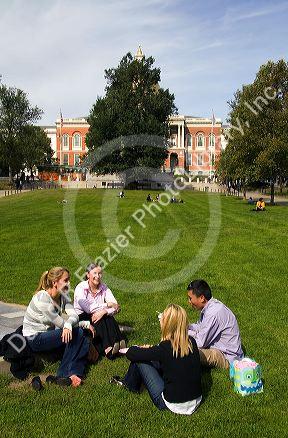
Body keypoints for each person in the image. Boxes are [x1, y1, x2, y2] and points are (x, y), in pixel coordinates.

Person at [110, 304, 202, 415]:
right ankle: (130, 382)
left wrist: (137, 348)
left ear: (167, 324)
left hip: (171, 404)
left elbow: (132, 354)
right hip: (196, 400)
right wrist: (151, 349)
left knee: (140, 361)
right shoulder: (192, 342)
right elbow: (166, 355)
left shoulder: (165, 347)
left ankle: (129, 385)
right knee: (151, 358)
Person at [22, 267, 92, 387]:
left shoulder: (63, 295)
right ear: (54, 283)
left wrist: (71, 324)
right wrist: (83, 324)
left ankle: (75, 374)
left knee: (83, 337)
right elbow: (61, 323)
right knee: (78, 332)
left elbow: (74, 315)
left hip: (47, 336)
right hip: (35, 339)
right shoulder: (42, 298)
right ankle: (63, 374)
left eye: (69, 280)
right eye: (66, 280)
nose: (69, 283)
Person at [187, 279, 243, 369]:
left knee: (189, 350)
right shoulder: (210, 306)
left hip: (228, 358)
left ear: (201, 298)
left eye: (190, 298)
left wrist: (183, 333)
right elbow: (201, 327)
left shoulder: (213, 313)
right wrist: (186, 326)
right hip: (219, 349)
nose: (189, 301)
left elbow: (201, 342)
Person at [74, 263, 126, 359]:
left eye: (100, 273)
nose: (97, 276)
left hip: (99, 315)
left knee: (106, 316)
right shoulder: (81, 288)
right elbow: (88, 308)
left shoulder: (104, 287)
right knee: (99, 318)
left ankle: (116, 345)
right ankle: (111, 346)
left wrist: (104, 311)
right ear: (88, 274)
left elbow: (116, 306)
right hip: (82, 317)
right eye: (94, 273)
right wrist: (107, 305)